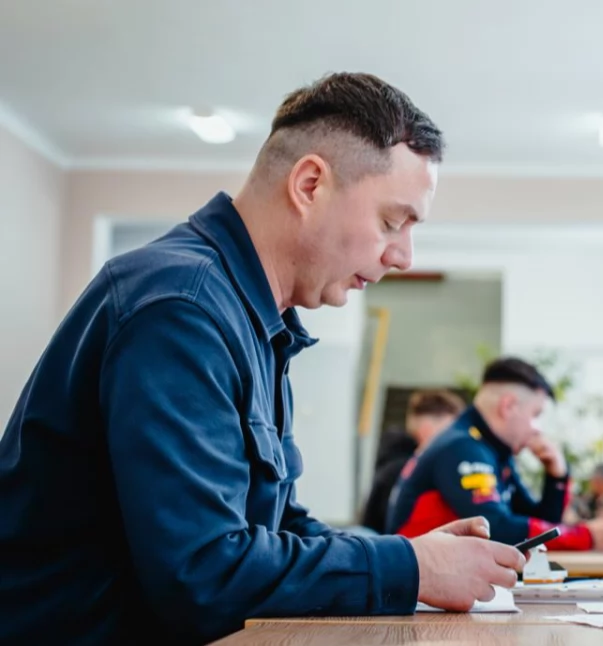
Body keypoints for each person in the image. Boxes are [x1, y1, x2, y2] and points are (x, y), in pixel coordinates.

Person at [0, 72, 527, 646]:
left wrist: (413, 557)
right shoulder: (183, 308)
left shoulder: (253, 321)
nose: (402, 255)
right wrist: (411, 567)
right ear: (308, 185)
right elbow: (203, 575)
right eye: (391, 222)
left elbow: (274, 528)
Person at [387, 357, 603, 551]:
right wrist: (585, 536)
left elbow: (531, 521)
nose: (538, 428)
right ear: (508, 406)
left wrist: (556, 477)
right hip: (419, 588)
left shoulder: (490, 448)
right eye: (536, 414)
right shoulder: (463, 447)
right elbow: (497, 529)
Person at [361, 389, 465, 533]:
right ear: (426, 428)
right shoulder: (407, 469)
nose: (455, 438)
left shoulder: (395, 461)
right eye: (449, 429)